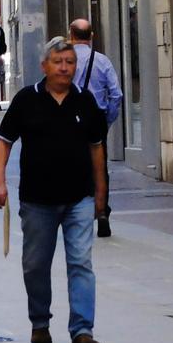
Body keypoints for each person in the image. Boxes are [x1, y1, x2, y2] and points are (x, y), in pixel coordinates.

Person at [0, 37, 107, 343]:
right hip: (37, 200)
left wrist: (101, 194)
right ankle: (40, 322)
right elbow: (4, 142)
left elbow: (97, 149)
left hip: (79, 198)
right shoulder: (27, 99)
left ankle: (82, 330)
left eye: (69, 62)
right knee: (36, 265)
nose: (65, 68)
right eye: (58, 62)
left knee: (81, 262)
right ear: (45, 66)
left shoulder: (85, 101)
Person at [69, 18, 123, 237]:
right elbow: (116, 94)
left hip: (70, 118)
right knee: (99, 166)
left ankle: (77, 215)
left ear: (70, 35)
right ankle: (102, 213)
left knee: (73, 164)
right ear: (91, 36)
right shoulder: (102, 61)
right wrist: (107, 119)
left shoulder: (64, 60)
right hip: (97, 118)